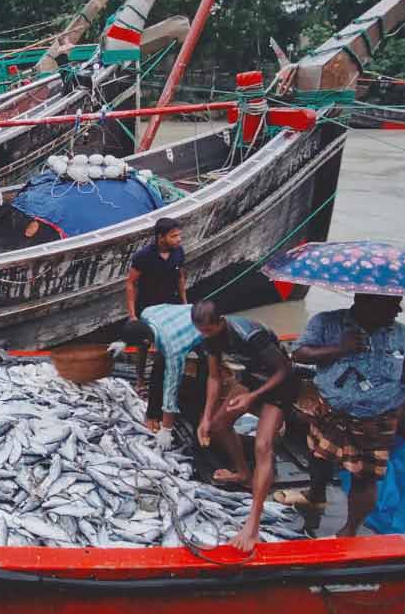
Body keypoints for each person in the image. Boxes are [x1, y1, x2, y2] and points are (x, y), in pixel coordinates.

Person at [287, 294, 405, 538]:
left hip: (377, 418)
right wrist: (340, 348)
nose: (398, 310)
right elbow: (298, 354)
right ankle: (315, 495)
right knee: (319, 456)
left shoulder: (402, 333)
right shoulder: (326, 322)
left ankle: (349, 529)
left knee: (365, 477)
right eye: (392, 304)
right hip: (330, 411)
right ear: (366, 303)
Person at [192, 300, 298, 554]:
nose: (203, 335)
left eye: (207, 330)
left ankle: (253, 523)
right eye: (200, 331)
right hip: (252, 377)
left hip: (280, 384)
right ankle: (243, 473)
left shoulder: (250, 335)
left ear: (220, 322)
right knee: (218, 425)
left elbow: (285, 369)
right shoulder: (210, 338)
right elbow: (215, 377)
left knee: (263, 446)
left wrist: (252, 398)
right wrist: (206, 417)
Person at [108, 303, 203, 441]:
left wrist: (167, 429)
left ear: (147, 340)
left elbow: (172, 387)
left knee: (201, 372)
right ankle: (153, 413)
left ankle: (200, 413)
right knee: (159, 365)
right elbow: (142, 347)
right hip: (179, 317)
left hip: (200, 326)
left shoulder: (173, 349)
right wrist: (125, 343)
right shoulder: (146, 313)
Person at [125, 218, 188, 403]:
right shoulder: (143, 256)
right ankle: (139, 380)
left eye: (179, 235)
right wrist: (132, 314)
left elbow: (180, 277)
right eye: (174, 236)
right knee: (143, 344)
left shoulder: (178, 252)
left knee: (168, 343)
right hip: (148, 305)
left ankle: (165, 380)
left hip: (171, 304)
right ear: (161, 237)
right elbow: (130, 283)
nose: (178, 239)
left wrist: (185, 304)